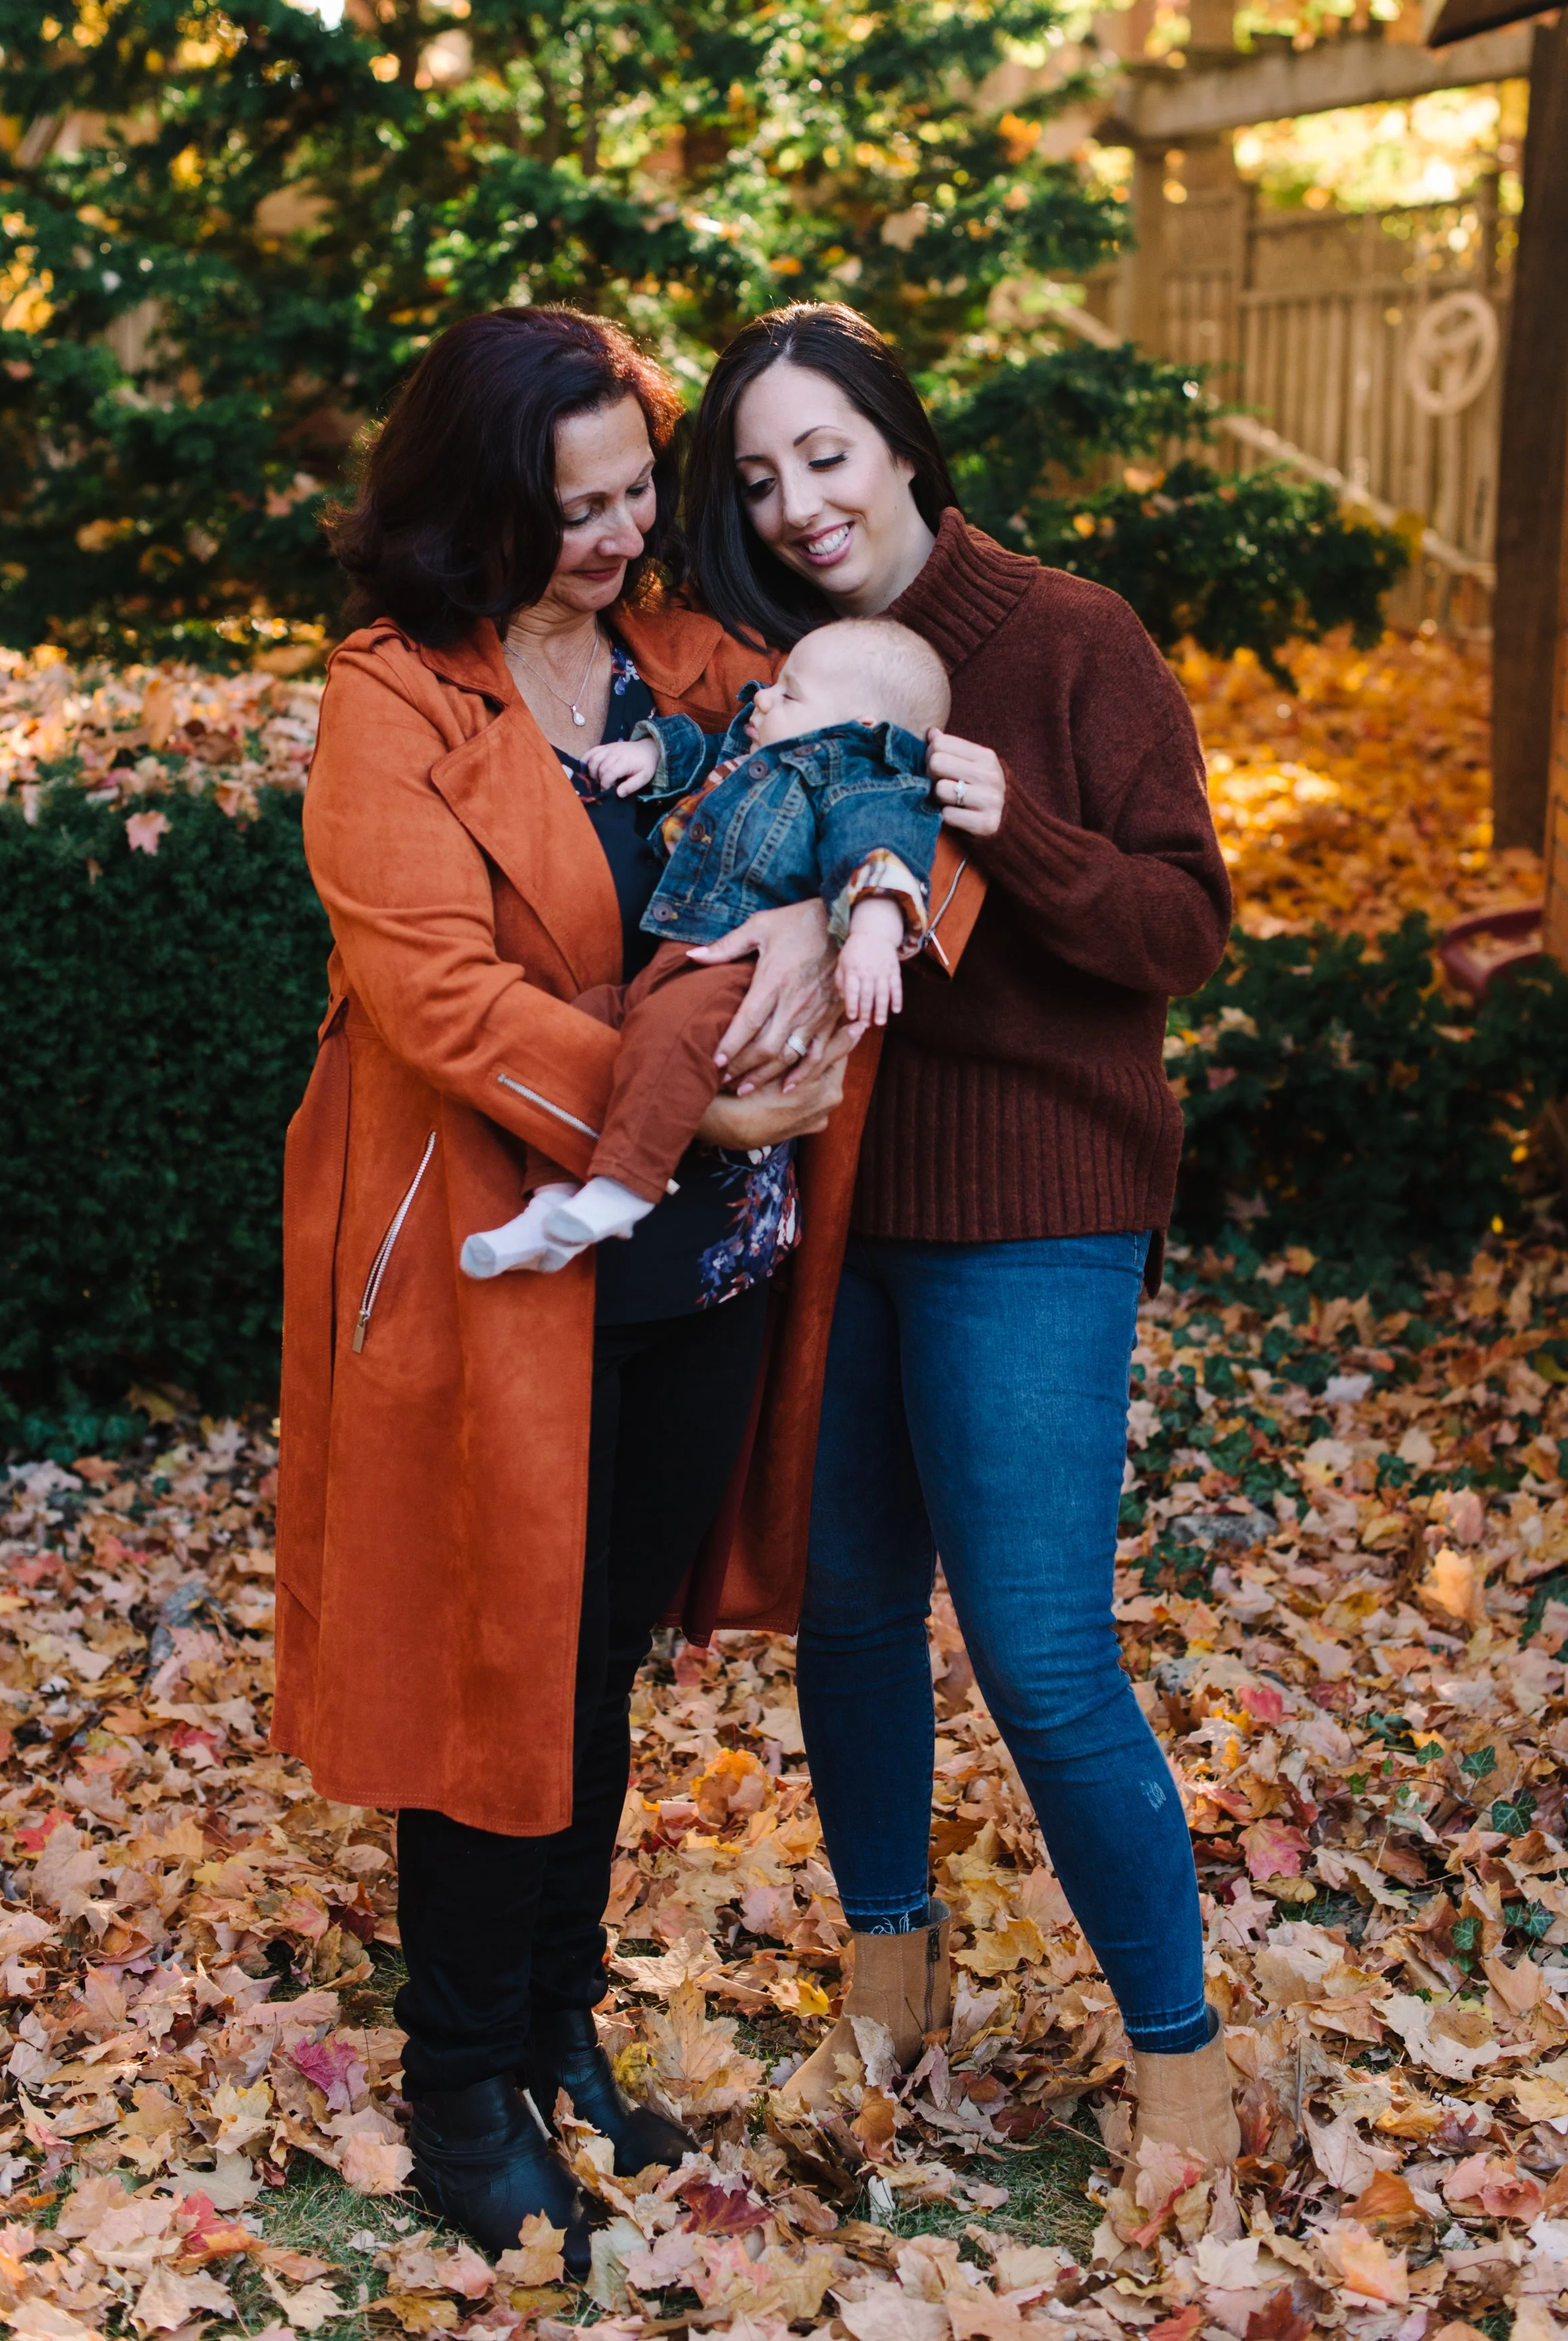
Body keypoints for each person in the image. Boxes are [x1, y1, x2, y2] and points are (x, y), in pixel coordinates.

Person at [271, 307, 873, 2272]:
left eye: (635, 491)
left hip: (690, 1270)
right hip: (488, 1252)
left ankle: (549, 2024)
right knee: (485, 1655)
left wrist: (811, 972)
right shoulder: (396, 697)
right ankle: (459, 2082)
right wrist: (678, 1097)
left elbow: (851, 786)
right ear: (477, 505)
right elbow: (429, 990)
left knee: (592, 1650)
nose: (621, 534)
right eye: (577, 507)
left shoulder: (692, 657)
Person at [682, 303, 1240, 2172]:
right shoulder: (785, 672)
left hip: (1038, 1217)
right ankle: (888, 1994)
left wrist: (1040, 841)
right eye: (760, 478)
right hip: (840, 1210)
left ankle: (1182, 2070)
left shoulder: (1071, 639)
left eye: (824, 456)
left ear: (905, 446)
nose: (798, 503)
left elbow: (1184, 927)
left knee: (1036, 1649)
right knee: (843, 1614)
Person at [461, 617, 949, 1278]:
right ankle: (551, 1195)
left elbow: (880, 848)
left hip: (738, 971)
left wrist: (870, 932)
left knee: (667, 1033)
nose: (764, 698)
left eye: (791, 695)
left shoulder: (855, 778)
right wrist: (652, 756)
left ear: (856, 729)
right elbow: (706, 749)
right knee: (578, 1027)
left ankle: (625, 1188)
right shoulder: (757, 753)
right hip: (676, 960)